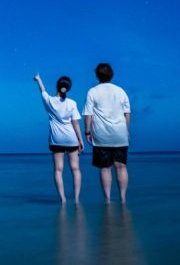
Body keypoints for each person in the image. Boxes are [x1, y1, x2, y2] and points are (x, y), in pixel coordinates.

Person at [83, 63, 131, 204]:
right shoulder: (121, 91)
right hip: (120, 134)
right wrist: (126, 130)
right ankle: (122, 198)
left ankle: (108, 200)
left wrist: (87, 131)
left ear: (97, 76)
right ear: (112, 75)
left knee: (105, 168)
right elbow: (127, 114)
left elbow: (88, 114)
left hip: (101, 135)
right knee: (121, 166)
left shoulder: (92, 91)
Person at [34, 72, 84, 203]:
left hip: (57, 140)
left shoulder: (49, 101)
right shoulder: (72, 103)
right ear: (68, 88)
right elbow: (75, 123)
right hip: (71, 139)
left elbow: (43, 90)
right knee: (76, 169)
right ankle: (77, 199)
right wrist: (80, 140)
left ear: (57, 86)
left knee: (58, 169)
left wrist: (39, 79)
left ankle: (63, 199)